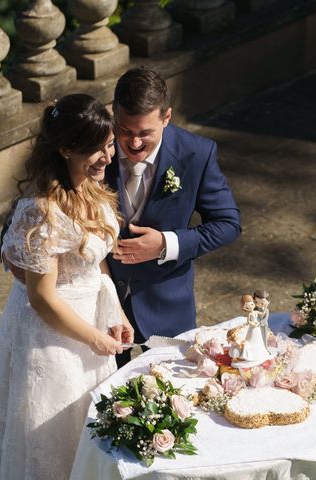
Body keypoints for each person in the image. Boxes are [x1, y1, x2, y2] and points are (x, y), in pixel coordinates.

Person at [0, 94, 133, 480]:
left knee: (87, 429)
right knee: (48, 438)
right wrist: (94, 339)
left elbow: (95, 255)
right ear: (66, 148)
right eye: (96, 149)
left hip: (89, 325)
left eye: (108, 144)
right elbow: (42, 297)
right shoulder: (42, 210)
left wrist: (114, 313)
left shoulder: (90, 184)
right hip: (52, 338)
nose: (108, 157)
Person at [107, 67, 241, 367]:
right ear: (113, 113)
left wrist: (167, 244)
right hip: (101, 310)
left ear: (166, 118)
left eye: (145, 133)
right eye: (125, 131)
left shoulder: (197, 153)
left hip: (166, 306)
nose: (135, 144)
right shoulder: (93, 146)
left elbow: (228, 224)